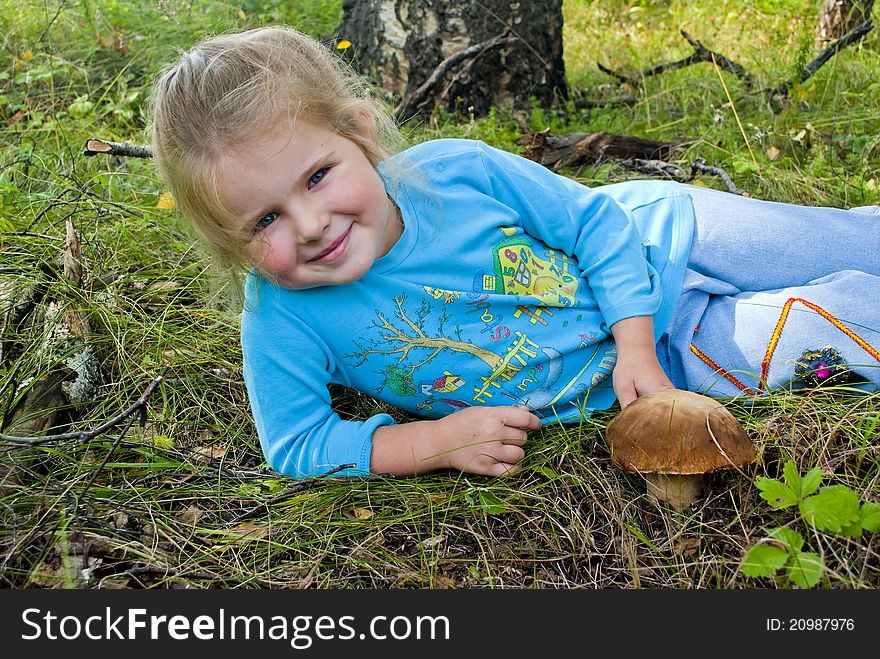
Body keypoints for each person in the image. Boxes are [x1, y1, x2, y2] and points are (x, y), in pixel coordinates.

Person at [149, 26, 880, 480]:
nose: (309, 224)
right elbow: (297, 442)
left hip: (668, 237)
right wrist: (429, 441)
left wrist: (633, 345)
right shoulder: (283, 315)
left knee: (847, 240)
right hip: (680, 359)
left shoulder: (458, 173)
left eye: (317, 176)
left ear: (360, 135)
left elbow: (594, 223)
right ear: (232, 242)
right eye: (265, 219)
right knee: (839, 331)